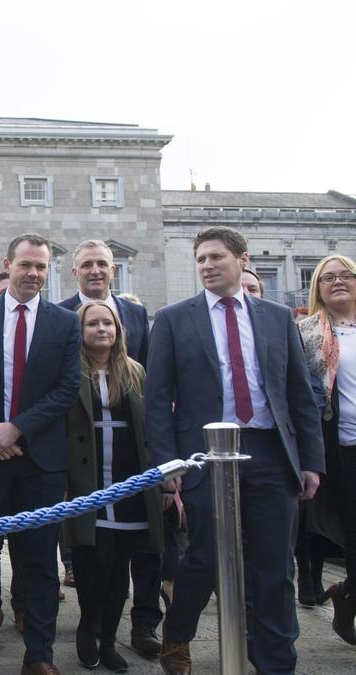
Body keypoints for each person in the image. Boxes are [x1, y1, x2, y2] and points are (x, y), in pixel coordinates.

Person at [146, 226, 323, 675]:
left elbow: (299, 395)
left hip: (268, 453)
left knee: (274, 567)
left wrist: (310, 463)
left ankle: (275, 663)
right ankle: (178, 632)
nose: (206, 266)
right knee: (204, 557)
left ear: (243, 260)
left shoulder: (276, 317)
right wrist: (168, 465)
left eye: (216, 257)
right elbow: (157, 399)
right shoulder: (173, 319)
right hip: (206, 456)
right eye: (201, 259)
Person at [0, 233, 81, 675]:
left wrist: (18, 429)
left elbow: (67, 388)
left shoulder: (65, 323)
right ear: (8, 264)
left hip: (40, 459)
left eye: (42, 267)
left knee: (39, 556)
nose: (33, 274)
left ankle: (40, 652)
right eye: (26, 265)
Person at [56, 239, 159, 658]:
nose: (102, 330)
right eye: (93, 325)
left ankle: (110, 637)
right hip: (86, 477)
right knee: (92, 561)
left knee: (121, 565)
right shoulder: (70, 367)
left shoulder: (133, 371)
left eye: (108, 325)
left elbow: (150, 418)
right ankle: (89, 627)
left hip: (129, 477)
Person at [298, 254, 356, 644]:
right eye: (327, 277)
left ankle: (346, 594)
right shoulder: (306, 333)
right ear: (317, 288)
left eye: (346, 275)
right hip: (341, 446)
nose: (338, 282)